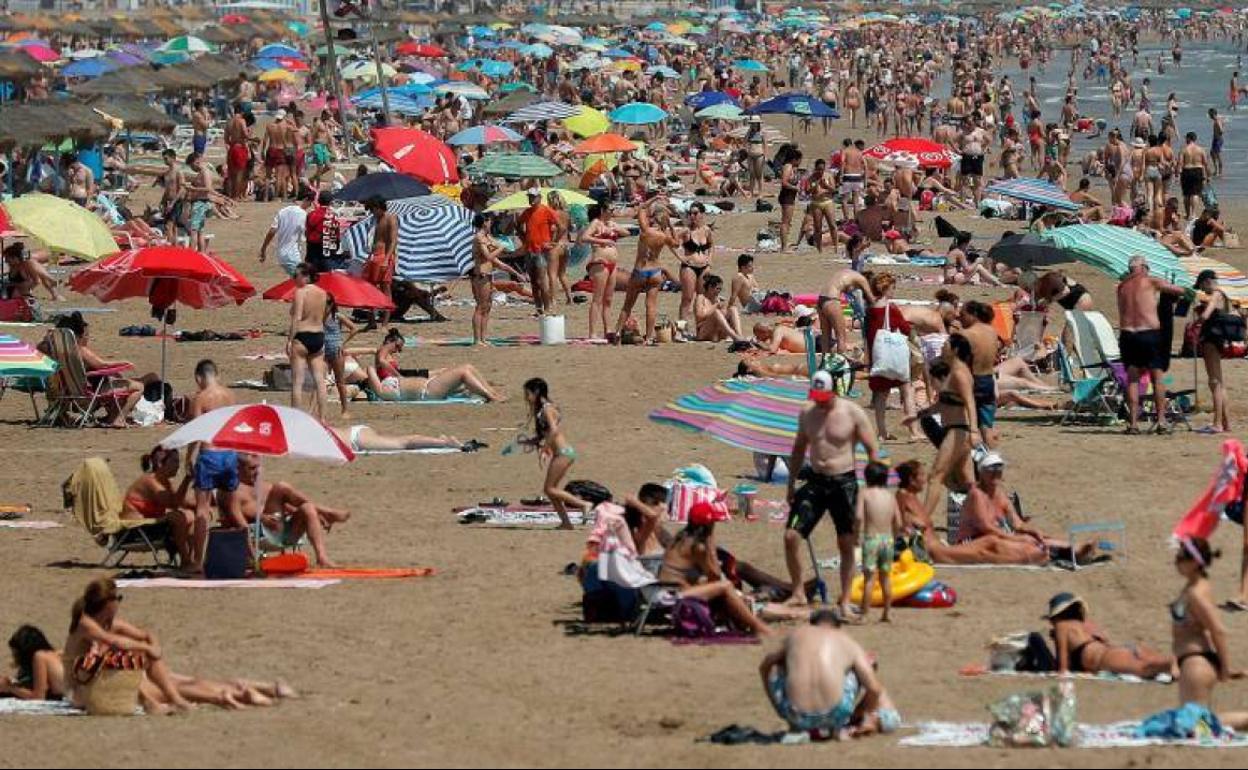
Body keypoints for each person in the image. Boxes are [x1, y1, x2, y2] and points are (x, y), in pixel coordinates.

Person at [784, 371, 880, 619]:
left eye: (824, 398)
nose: (820, 402)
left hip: (844, 482)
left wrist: (872, 490)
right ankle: (798, 592)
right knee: (791, 536)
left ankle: (845, 601)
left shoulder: (853, 412)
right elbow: (798, 448)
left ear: (834, 392)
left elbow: (873, 450)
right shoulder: (807, 412)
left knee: (846, 543)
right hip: (816, 481)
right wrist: (791, 484)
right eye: (816, 397)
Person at [759, 610, 890, 738]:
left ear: (812, 624)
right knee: (863, 666)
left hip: (795, 716)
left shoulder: (796, 635)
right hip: (835, 715)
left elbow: (765, 666)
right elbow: (874, 689)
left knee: (779, 665)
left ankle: (797, 719)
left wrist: (778, 707)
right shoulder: (847, 641)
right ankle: (856, 723)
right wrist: (863, 714)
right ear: (838, 627)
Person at [660, 502, 772, 637]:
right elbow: (715, 575)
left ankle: (744, 620)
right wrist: (711, 544)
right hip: (674, 595)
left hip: (664, 591)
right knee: (725, 586)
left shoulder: (680, 539)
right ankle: (758, 626)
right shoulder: (697, 547)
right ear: (708, 525)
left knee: (711, 584)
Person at [235, 453, 348, 568]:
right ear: (238, 469)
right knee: (281, 486)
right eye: (252, 468)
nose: (257, 472)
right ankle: (324, 511)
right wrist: (262, 517)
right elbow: (242, 518)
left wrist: (314, 516)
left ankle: (322, 557)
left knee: (307, 507)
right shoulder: (236, 492)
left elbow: (290, 508)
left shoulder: (266, 487)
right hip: (263, 534)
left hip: (285, 533)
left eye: (258, 467)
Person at [1116, 255, 1187, 435]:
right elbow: (1180, 291)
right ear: (1143, 267)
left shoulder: (1121, 287)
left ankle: (1133, 424)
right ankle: (1161, 421)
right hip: (1149, 333)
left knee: (1132, 379)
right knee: (1157, 378)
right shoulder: (1151, 281)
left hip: (1128, 335)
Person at [1172, 537, 1241, 708]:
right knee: (1197, 720)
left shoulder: (1196, 593)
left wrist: (1225, 668)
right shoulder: (1193, 587)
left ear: (1195, 562)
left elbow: (1217, 629)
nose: (1176, 561)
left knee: (1198, 722)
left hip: (1196, 665)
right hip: (1192, 662)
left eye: (1180, 557)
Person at [186, 359, 242, 572]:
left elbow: (196, 431)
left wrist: (189, 457)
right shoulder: (230, 395)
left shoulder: (200, 398)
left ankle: (198, 561)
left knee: (202, 510)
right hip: (229, 454)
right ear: (217, 375)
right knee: (233, 510)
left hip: (209, 455)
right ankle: (248, 555)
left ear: (198, 378)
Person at [1045, 593, 1175, 678]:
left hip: (1105, 658)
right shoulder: (1087, 625)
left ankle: (1173, 663)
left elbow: (1063, 667)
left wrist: (1057, 640)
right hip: (1119, 650)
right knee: (1158, 662)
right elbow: (1103, 641)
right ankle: (1178, 662)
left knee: (1146, 668)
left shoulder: (1061, 627)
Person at [520, 378, 589, 530]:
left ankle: (583, 504)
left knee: (549, 489)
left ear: (536, 392)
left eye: (527, 394)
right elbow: (545, 434)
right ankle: (566, 523)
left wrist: (544, 449)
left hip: (564, 453)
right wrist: (530, 442)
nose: (526, 398)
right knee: (552, 490)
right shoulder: (541, 410)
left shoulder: (547, 408)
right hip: (561, 453)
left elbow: (554, 431)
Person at [366, 328, 505, 402]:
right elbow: (380, 362)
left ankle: (491, 392)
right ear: (390, 341)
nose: (398, 350)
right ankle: (491, 396)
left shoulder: (388, 381)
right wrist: (398, 376)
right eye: (397, 346)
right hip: (426, 390)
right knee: (464, 371)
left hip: (426, 387)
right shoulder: (383, 351)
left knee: (468, 368)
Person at [865, 273, 921, 442]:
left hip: (878, 357)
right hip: (893, 357)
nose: (894, 291)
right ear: (885, 289)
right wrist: (919, 343)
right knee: (907, 390)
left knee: (881, 395)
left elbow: (867, 336)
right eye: (892, 288)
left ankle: (882, 432)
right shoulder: (891, 309)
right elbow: (906, 330)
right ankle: (914, 431)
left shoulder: (870, 310)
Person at [122, 446, 194, 566]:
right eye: (175, 461)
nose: (178, 466)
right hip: (135, 530)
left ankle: (191, 560)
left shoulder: (164, 481)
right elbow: (173, 503)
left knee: (191, 515)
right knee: (179, 518)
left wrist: (204, 504)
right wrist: (187, 480)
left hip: (148, 526)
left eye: (178, 461)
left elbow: (182, 501)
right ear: (160, 464)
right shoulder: (150, 482)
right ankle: (186, 561)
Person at [857, 462, 901, 623]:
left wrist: (856, 534)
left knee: (869, 579)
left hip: (871, 539)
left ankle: (864, 614)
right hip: (887, 540)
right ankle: (887, 613)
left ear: (866, 478)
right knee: (885, 578)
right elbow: (898, 522)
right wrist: (894, 537)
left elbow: (858, 517)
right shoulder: (890, 496)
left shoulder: (865, 493)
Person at [470, 213, 522, 346]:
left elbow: (498, 261)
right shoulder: (479, 238)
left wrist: (516, 273)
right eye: (489, 221)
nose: (491, 223)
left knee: (488, 306)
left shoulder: (487, 237)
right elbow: (488, 256)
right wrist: (500, 248)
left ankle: (483, 338)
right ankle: (477, 339)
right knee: (481, 306)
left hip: (488, 274)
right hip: (480, 275)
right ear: (484, 222)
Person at [1194, 269, 1235, 435]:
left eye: (1202, 286)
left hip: (1211, 339)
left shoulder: (1216, 294)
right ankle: (1226, 422)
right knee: (1219, 382)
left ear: (1207, 281)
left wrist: (1197, 321)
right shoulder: (1223, 295)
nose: (1202, 290)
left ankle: (1217, 423)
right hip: (1219, 339)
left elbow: (1206, 315)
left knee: (1214, 382)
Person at [287, 263, 329, 419]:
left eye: (296, 275)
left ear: (306, 276)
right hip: (318, 335)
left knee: (297, 382)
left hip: (302, 336)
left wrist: (289, 340)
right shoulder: (323, 293)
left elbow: (297, 317)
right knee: (320, 381)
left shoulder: (300, 292)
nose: (294, 279)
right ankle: (322, 418)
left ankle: (296, 418)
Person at [580, 204, 626, 340]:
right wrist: (602, 239)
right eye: (610, 210)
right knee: (597, 299)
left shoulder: (610, 223)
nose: (612, 212)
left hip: (612, 264)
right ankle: (593, 332)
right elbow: (584, 237)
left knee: (608, 299)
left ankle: (608, 330)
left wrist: (614, 228)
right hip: (600, 263)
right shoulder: (596, 223)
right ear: (602, 211)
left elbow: (627, 233)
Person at [517, 188, 559, 316]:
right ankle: (539, 308)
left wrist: (553, 242)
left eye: (533, 197)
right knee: (534, 282)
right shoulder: (527, 212)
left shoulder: (546, 210)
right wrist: (523, 238)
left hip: (541, 250)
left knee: (542, 281)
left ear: (539, 198)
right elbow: (518, 225)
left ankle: (547, 308)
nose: (531, 199)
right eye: (530, 196)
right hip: (530, 250)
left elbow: (560, 226)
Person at [817, 268, 874, 357]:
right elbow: (871, 298)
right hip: (832, 300)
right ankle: (842, 361)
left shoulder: (847, 273)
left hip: (821, 300)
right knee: (841, 338)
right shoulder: (862, 280)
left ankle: (825, 361)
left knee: (825, 337)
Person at [0, 626, 65, 701]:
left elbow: (38, 697)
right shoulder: (55, 655)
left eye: (16, 654)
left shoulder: (39, 656)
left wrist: (9, 687)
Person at [677, 202, 714, 330]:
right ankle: (682, 329)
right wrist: (680, 257)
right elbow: (672, 243)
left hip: (704, 267)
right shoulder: (686, 230)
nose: (692, 216)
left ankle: (700, 328)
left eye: (695, 213)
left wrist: (709, 259)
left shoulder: (707, 230)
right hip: (689, 267)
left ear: (702, 214)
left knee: (702, 298)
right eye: (690, 213)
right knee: (687, 298)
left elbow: (711, 245)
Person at [362, 197, 398, 325]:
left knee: (385, 287)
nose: (372, 213)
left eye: (373, 210)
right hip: (374, 255)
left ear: (379, 207)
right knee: (368, 287)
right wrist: (369, 257)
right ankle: (371, 321)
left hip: (384, 255)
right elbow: (374, 240)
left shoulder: (391, 218)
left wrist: (387, 259)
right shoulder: (375, 220)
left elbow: (393, 241)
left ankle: (385, 322)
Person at [258, 194, 307, 276]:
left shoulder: (282, 211)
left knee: (299, 280)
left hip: (281, 254)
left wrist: (263, 249)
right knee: (303, 280)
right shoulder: (303, 214)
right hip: (292, 255)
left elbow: (272, 231)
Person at [330, 424, 466, 454]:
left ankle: (445, 443)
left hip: (356, 439)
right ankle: (439, 441)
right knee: (402, 440)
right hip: (355, 433)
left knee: (402, 443)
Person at [693, 274, 747, 343]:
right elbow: (700, 316)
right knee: (716, 312)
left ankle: (739, 335)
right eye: (717, 288)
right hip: (703, 331)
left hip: (717, 332)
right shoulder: (701, 298)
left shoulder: (718, 299)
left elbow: (723, 316)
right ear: (710, 287)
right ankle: (734, 336)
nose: (719, 291)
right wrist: (716, 306)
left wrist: (724, 308)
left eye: (720, 289)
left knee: (733, 308)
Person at [1179, 132, 1211, 220]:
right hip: (1197, 171)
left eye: (1186, 138)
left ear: (1189, 138)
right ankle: (1193, 214)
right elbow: (1206, 163)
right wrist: (1208, 175)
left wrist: (1177, 173)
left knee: (1186, 194)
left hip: (1186, 170)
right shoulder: (1201, 150)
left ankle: (1187, 214)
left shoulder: (1184, 149)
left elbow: (1180, 163)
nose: (1185, 140)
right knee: (1195, 193)